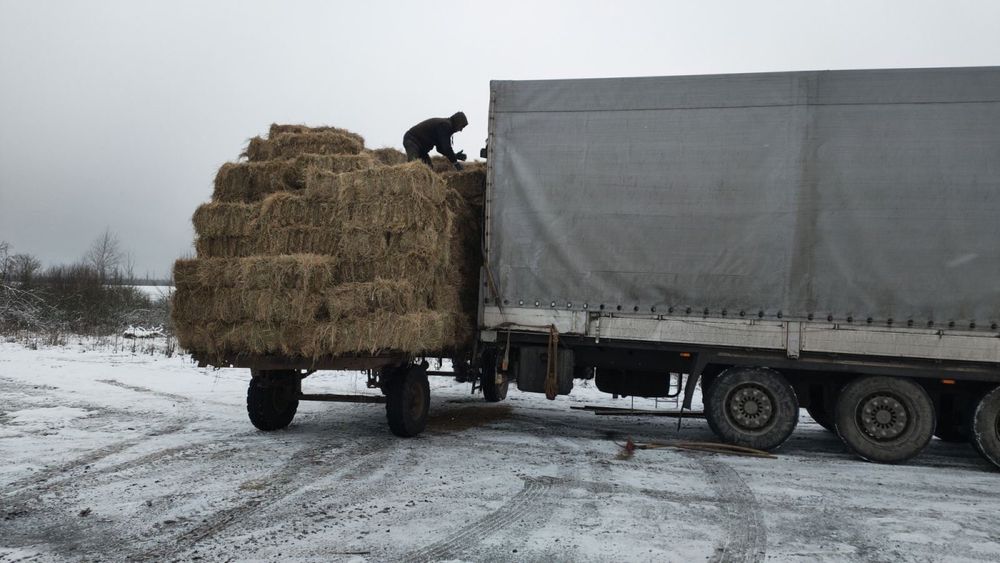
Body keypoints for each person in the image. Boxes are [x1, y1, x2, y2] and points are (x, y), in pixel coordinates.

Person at [403, 112, 468, 171]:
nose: (461, 130)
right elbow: (446, 147)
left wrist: (455, 155)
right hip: (412, 140)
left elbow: (440, 149)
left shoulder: (445, 127)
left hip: (421, 149)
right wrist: (455, 163)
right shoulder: (445, 125)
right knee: (413, 167)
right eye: (461, 126)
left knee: (429, 170)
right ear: (457, 122)